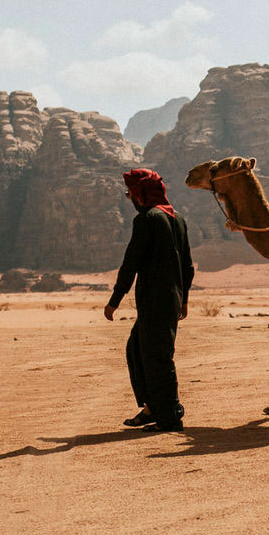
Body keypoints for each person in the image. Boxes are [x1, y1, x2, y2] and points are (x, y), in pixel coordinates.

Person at [104, 168, 195, 430]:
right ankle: (152, 407)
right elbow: (187, 266)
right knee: (137, 349)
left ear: (141, 193)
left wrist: (115, 299)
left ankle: (170, 417)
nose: (130, 197)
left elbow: (131, 262)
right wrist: (184, 298)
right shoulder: (178, 218)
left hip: (155, 300)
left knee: (157, 357)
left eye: (130, 192)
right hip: (171, 299)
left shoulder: (146, 219)